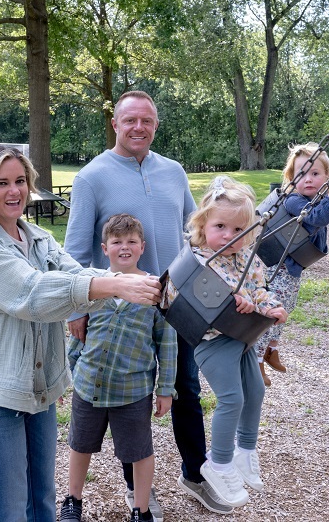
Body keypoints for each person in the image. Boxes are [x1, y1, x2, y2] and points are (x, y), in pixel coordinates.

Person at [0, 145, 162, 521]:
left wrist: (126, 280)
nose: (15, 191)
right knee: (11, 507)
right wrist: (114, 286)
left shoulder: (38, 238)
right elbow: (30, 294)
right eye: (2, 183)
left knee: (43, 499)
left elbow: (75, 273)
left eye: (20, 181)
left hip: (39, 389)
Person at [64, 90, 233, 517]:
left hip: (176, 304)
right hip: (122, 304)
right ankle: (137, 490)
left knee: (187, 390)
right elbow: (74, 251)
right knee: (128, 396)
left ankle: (195, 475)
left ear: (156, 125)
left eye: (147, 121)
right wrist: (76, 308)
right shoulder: (92, 177)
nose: (139, 128)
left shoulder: (173, 171)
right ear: (115, 124)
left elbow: (195, 231)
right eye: (130, 120)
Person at [161, 176, 288, 508]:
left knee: (255, 391)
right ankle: (217, 463)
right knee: (231, 399)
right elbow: (185, 291)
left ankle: (245, 451)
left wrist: (269, 306)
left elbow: (258, 289)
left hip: (242, 337)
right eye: (221, 227)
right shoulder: (196, 257)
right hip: (212, 341)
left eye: (238, 230)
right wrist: (235, 300)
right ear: (203, 223)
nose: (229, 237)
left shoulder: (245, 257)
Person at [61, 214, 177, 522]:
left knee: (139, 451)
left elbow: (167, 344)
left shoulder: (158, 289)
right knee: (79, 444)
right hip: (89, 385)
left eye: (131, 242)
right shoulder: (94, 286)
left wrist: (166, 389)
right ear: (104, 248)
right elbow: (78, 338)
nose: (124, 248)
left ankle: (140, 509)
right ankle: (72, 500)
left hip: (133, 391)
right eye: (116, 242)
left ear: (142, 247)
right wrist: (63, 376)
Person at [255, 143, 329, 387]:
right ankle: (257, 360)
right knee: (272, 314)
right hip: (276, 269)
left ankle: (272, 350)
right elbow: (315, 217)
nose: (308, 179)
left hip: (292, 270)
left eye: (315, 174)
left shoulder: (314, 193)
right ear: (291, 178)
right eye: (301, 174)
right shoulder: (294, 200)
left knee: (287, 309)